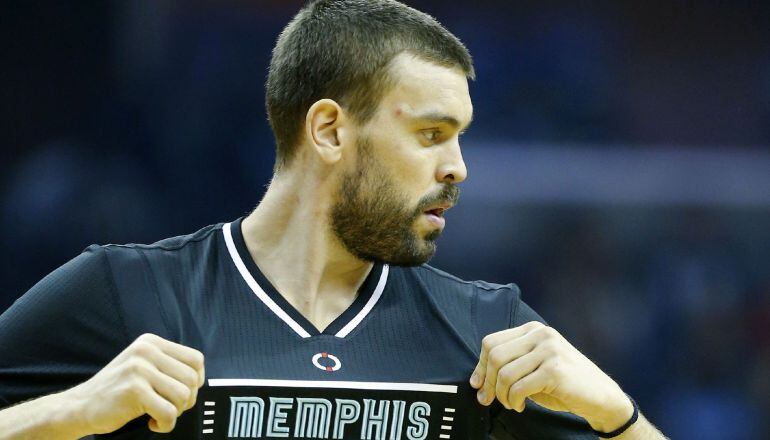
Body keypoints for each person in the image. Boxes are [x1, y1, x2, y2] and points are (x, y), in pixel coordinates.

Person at [0, 1, 668, 439]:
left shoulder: (491, 334)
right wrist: (69, 411)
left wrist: (619, 417)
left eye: (460, 137)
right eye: (431, 134)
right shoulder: (127, 291)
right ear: (328, 130)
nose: (459, 167)